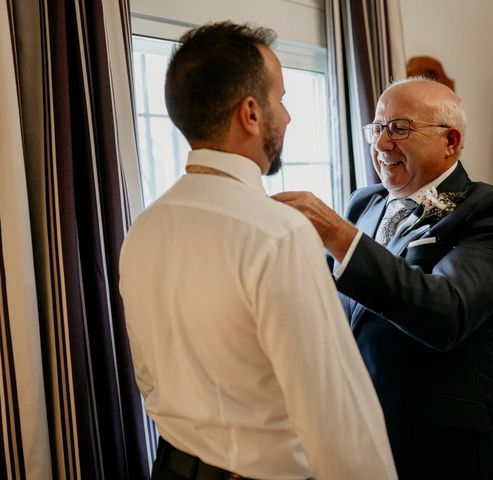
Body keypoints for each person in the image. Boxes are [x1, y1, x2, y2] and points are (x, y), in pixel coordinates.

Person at [119, 22, 396, 480]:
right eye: (281, 98)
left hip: (170, 467)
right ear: (250, 112)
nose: (286, 116)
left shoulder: (145, 228)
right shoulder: (278, 232)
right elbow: (332, 410)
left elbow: (149, 376)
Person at [274, 78, 493, 479]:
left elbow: (448, 313)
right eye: (377, 128)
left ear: (450, 141)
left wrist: (338, 235)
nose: (381, 144)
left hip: (442, 447)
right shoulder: (365, 203)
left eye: (400, 128)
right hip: (356, 433)